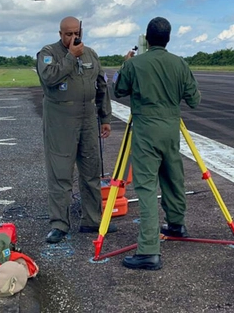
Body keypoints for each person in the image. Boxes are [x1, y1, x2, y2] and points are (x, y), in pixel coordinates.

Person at [113, 17, 201, 270]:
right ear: (168, 38)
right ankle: (176, 224)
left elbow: (118, 90)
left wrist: (125, 65)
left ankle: (149, 250)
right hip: (171, 129)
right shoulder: (180, 63)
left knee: (147, 188)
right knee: (174, 178)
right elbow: (194, 100)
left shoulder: (135, 64)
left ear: (147, 39)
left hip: (146, 131)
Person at [36, 16, 117, 244]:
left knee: (91, 171)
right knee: (60, 174)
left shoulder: (90, 54)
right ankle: (59, 224)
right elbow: (49, 77)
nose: (73, 38)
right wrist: (71, 57)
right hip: (60, 119)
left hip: (88, 118)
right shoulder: (48, 53)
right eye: (68, 34)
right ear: (60, 33)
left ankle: (93, 219)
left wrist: (105, 117)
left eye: (76, 33)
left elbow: (101, 86)